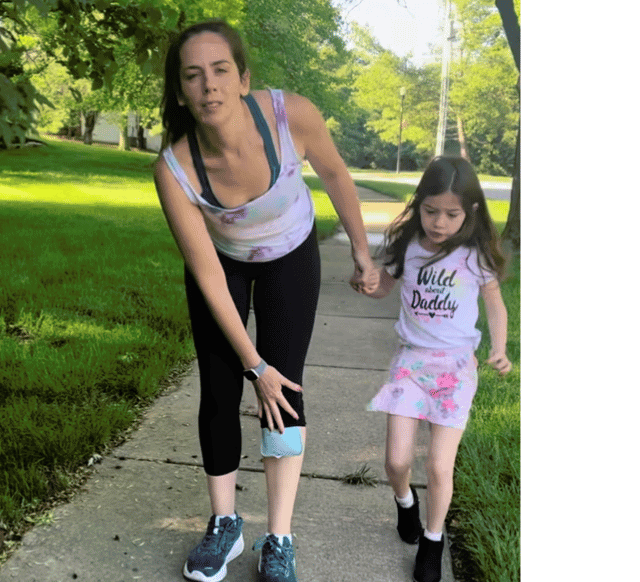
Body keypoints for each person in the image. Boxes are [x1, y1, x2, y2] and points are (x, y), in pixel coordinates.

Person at [153, 19, 378, 582]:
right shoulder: (174, 168)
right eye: (194, 76)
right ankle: (225, 525)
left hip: (292, 255)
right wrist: (254, 366)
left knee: (287, 391)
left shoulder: (289, 115)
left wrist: (361, 252)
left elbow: (335, 176)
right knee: (220, 387)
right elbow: (206, 272)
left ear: (243, 77)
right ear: (181, 90)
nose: (209, 86)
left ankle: (279, 537)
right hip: (223, 265)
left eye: (221, 71)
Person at [364, 156, 511, 582]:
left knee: (439, 467)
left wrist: (499, 349)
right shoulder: (408, 247)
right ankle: (405, 503)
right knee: (396, 461)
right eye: (430, 211)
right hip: (411, 364)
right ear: (418, 205)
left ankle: (432, 540)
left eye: (451, 214)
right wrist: (370, 283)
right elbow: (384, 288)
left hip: (457, 370)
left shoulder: (474, 254)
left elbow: (495, 305)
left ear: (471, 212)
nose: (439, 223)